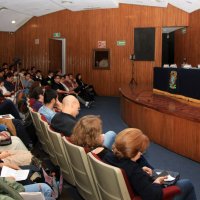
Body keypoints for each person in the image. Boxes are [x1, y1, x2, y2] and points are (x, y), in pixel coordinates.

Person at [94, 128, 196, 200]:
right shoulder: (134, 171)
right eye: (140, 151)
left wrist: (141, 171)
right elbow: (153, 196)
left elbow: (129, 172)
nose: (141, 154)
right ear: (134, 152)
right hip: (145, 195)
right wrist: (157, 182)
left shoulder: (107, 155)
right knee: (186, 184)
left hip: (125, 191)